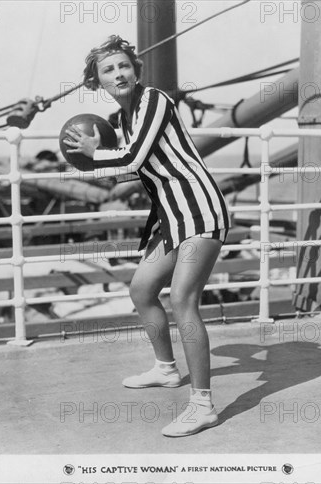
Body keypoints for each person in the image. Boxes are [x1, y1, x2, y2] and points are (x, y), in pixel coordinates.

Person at [62, 35, 230, 437]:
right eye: (108, 69)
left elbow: (133, 157)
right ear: (97, 81)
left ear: (136, 71)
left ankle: (203, 404)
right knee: (141, 290)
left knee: (182, 299)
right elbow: (131, 168)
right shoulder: (122, 120)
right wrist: (85, 159)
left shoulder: (154, 100)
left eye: (124, 66)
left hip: (201, 211)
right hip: (172, 218)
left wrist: (92, 151)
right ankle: (167, 370)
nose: (118, 73)